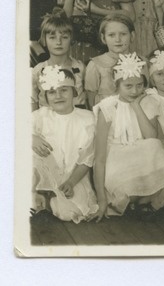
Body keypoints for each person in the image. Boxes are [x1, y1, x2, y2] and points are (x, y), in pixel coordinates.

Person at [92, 53, 164, 220]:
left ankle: (144, 201)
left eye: (139, 85)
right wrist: (101, 199)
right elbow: (100, 157)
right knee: (126, 196)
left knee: (154, 146)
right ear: (117, 85)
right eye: (128, 86)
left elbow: (151, 137)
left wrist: (136, 106)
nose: (135, 91)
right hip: (116, 158)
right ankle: (132, 200)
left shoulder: (148, 102)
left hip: (141, 157)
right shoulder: (108, 107)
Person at [31, 67, 98, 223]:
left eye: (64, 90)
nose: (58, 96)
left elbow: (87, 158)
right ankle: (39, 196)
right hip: (44, 170)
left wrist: (72, 182)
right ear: (46, 97)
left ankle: (49, 203)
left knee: (71, 212)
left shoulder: (87, 119)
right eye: (52, 92)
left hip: (73, 175)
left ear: (74, 92)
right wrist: (31, 137)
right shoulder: (40, 116)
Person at [31, 9, 87, 111]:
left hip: (75, 120)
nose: (58, 42)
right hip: (48, 121)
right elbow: (32, 101)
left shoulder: (80, 67)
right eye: (52, 37)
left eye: (64, 37)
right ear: (44, 40)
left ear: (71, 39)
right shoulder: (38, 70)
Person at [84, 14, 136, 108]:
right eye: (111, 35)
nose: (118, 40)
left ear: (132, 36)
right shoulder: (95, 65)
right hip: (107, 118)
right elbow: (91, 100)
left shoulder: (141, 62)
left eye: (123, 34)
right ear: (103, 38)